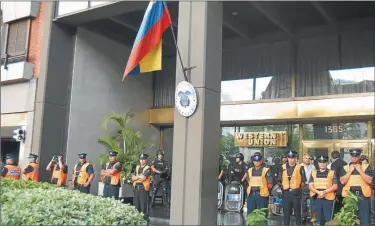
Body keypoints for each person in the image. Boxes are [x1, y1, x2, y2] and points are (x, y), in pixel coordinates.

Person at [340, 148, 373, 226]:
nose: (354, 157)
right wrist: (350, 171)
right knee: (350, 218)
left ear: (359, 156)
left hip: (363, 195)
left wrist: (360, 170)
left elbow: (370, 180)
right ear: (350, 156)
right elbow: (342, 181)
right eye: (352, 156)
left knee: (364, 218)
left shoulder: (366, 166)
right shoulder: (345, 167)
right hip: (349, 195)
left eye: (356, 156)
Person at [279, 150, 307, 225]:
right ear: (287, 158)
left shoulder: (300, 167)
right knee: (286, 214)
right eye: (289, 158)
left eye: (293, 158)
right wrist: (282, 188)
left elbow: (303, 181)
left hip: (296, 194)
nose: (291, 160)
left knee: (297, 214)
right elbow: (279, 180)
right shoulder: (283, 167)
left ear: (295, 158)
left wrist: (299, 190)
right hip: (286, 193)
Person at [309, 156, 338, 225]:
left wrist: (324, 192)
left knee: (328, 219)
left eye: (324, 162)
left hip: (328, 199)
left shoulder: (332, 172)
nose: (322, 164)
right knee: (316, 220)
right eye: (320, 162)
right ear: (318, 163)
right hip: (316, 198)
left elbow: (335, 186)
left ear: (327, 163)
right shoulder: (313, 172)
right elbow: (310, 186)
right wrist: (318, 192)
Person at [132, 153, 152, 219]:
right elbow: (132, 178)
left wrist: (136, 178)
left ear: (146, 160)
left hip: (143, 189)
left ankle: (145, 221)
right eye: (141, 159)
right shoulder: (137, 167)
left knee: (143, 207)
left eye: (143, 159)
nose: (142, 161)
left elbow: (143, 178)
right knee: (136, 206)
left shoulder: (148, 168)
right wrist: (139, 177)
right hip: (136, 189)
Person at [328, 150, 347, 215]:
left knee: (336, 207)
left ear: (332, 157)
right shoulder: (345, 163)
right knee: (344, 205)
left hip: (337, 188)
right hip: (345, 187)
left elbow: (333, 176)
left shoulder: (333, 164)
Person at [301, 153, 316, 222]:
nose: (307, 160)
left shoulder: (313, 167)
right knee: (303, 202)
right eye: (306, 158)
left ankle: (313, 217)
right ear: (303, 159)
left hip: (311, 186)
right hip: (303, 186)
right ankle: (304, 216)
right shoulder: (299, 166)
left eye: (309, 158)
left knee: (312, 202)